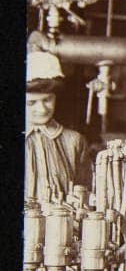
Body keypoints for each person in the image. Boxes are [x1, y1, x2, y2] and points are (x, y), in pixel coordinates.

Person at [25, 48, 89, 203]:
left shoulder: (75, 141)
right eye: (31, 103)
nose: (42, 109)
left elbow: (86, 189)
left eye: (47, 100)